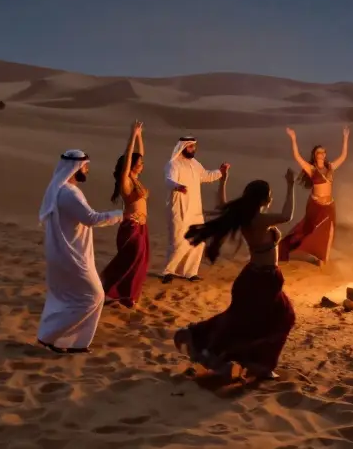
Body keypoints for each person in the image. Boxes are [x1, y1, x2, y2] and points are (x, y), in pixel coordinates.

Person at [174, 169, 298, 381]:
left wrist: (223, 181)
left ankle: (196, 336)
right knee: (280, 318)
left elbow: (222, 205)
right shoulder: (258, 220)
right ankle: (259, 365)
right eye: (269, 195)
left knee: (244, 319)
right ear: (263, 199)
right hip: (262, 280)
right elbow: (287, 216)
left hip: (255, 278)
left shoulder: (245, 217)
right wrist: (290, 185)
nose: (271, 199)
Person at [36, 149, 123, 354]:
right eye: (85, 167)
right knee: (93, 296)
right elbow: (91, 218)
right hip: (70, 256)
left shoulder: (61, 189)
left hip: (64, 253)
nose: (87, 170)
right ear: (75, 168)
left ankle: (72, 343)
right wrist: (121, 215)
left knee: (68, 297)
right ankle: (48, 336)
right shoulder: (68, 193)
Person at [161, 135, 229, 283]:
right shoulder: (173, 164)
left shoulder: (195, 164)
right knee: (178, 241)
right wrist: (177, 186)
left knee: (198, 241)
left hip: (195, 210)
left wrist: (220, 172)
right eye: (191, 146)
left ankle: (190, 272)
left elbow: (205, 176)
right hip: (179, 209)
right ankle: (168, 271)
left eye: (194, 147)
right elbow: (168, 180)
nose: (193, 149)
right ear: (183, 147)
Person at [279, 126, 349, 265]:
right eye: (318, 152)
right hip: (316, 205)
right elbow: (297, 157)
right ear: (315, 155)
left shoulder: (331, 167)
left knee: (328, 231)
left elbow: (343, 156)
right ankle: (292, 249)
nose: (321, 154)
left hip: (329, 205)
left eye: (323, 152)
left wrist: (345, 138)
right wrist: (293, 138)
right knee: (309, 230)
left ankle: (322, 258)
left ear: (325, 154)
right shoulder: (312, 169)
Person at [101, 121, 151, 308]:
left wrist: (139, 136)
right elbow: (129, 157)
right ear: (130, 166)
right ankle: (109, 290)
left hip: (142, 226)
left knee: (141, 261)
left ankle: (126, 296)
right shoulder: (126, 181)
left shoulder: (136, 179)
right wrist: (132, 135)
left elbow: (140, 154)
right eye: (139, 164)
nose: (141, 165)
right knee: (130, 260)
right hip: (131, 226)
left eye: (141, 163)